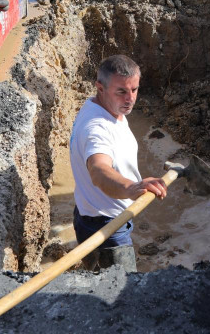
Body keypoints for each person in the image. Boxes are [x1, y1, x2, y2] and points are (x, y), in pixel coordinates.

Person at [70, 55, 167, 271]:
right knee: (121, 295)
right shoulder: (96, 128)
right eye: (121, 91)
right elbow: (99, 170)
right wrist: (131, 188)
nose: (130, 98)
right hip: (106, 230)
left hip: (96, 215)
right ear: (100, 87)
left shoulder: (106, 108)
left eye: (134, 90)